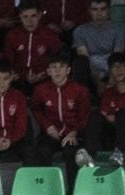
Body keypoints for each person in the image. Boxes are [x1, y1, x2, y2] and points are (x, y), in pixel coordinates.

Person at [31, 50, 93, 180]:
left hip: (73, 134)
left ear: (68, 70)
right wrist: (47, 126)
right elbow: (36, 110)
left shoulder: (80, 90)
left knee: (72, 154)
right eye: (54, 67)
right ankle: (48, 191)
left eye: (62, 67)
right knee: (42, 151)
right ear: (48, 71)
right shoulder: (41, 90)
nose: (58, 71)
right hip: (51, 133)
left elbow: (84, 114)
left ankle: (72, 193)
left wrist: (74, 132)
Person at [1, 0, 64, 81]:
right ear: (20, 16)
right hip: (18, 80)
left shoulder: (50, 35)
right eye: (25, 17)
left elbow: (57, 60)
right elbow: (7, 61)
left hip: (44, 79)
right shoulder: (12, 35)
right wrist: (16, 74)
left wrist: (45, 74)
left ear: (40, 15)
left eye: (33, 16)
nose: (29, 21)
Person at [68, 0, 125, 79]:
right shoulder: (80, 31)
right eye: (95, 9)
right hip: (89, 75)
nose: (99, 13)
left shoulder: (119, 30)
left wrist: (112, 80)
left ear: (109, 10)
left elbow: (117, 59)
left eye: (103, 9)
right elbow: (84, 59)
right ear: (89, 11)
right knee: (80, 63)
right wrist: (97, 82)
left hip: (113, 75)